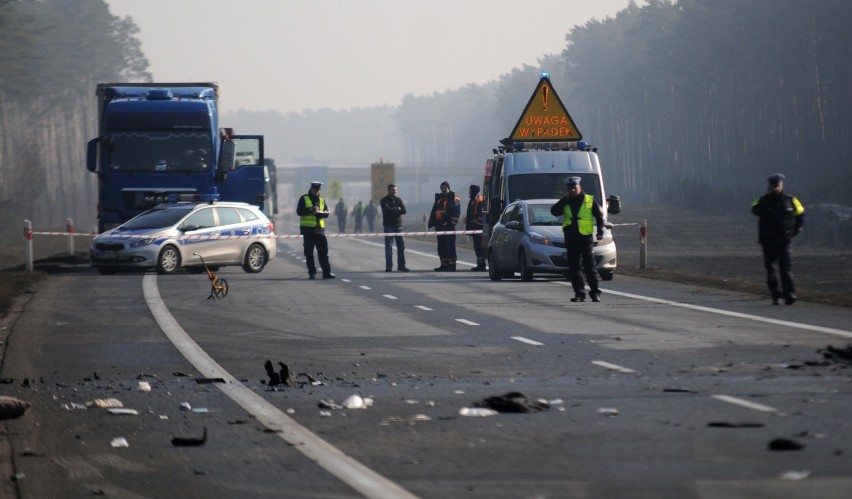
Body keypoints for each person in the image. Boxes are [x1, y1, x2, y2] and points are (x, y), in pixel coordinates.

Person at [751, 173, 805, 305]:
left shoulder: (791, 200)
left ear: (781, 185)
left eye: (777, 186)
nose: (775, 188)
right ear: (769, 186)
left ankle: (790, 293)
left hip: (785, 239)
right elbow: (754, 209)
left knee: (785, 268)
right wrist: (767, 199)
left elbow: (801, 213)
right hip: (768, 240)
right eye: (773, 186)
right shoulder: (762, 200)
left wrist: (797, 229)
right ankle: (776, 295)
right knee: (771, 268)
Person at [550, 177, 605, 302]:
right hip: (571, 239)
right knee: (574, 269)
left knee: (590, 268)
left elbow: (599, 217)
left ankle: (595, 293)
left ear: (580, 188)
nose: (573, 190)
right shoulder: (566, 201)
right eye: (570, 189)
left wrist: (600, 231)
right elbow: (554, 211)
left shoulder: (589, 200)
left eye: (575, 188)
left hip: (586, 239)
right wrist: (564, 200)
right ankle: (579, 294)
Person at [296, 182, 335, 279]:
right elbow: (299, 212)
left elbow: (326, 211)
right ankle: (312, 273)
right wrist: (311, 210)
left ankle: (326, 273)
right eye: (315, 190)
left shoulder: (322, 199)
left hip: (320, 230)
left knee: (323, 253)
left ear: (319, 190)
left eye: (318, 190)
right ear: (311, 189)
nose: (316, 191)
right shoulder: (304, 198)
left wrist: (325, 213)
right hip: (308, 230)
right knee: (309, 253)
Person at [428, 181, 461, 271]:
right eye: (442, 188)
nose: (443, 189)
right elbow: (435, 211)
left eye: (445, 188)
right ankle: (444, 265)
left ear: (448, 188)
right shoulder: (439, 198)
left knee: (449, 246)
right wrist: (433, 223)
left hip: (448, 227)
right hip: (439, 226)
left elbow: (456, 212)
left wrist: (449, 223)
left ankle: (452, 265)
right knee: (441, 247)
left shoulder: (454, 197)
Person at [380, 184, 409, 272]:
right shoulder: (384, 200)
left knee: (401, 247)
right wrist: (397, 209)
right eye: (393, 190)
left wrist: (393, 210)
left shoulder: (399, 199)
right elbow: (386, 211)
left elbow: (404, 211)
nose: (395, 191)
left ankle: (401, 266)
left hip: (398, 226)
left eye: (396, 190)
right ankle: (389, 267)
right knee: (389, 247)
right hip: (389, 226)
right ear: (389, 191)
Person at [466, 184, 486, 271]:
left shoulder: (479, 200)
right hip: (474, 228)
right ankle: (480, 264)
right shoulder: (472, 200)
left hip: (479, 228)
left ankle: (481, 265)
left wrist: (476, 223)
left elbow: (480, 215)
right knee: (477, 247)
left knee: (479, 247)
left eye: (470, 190)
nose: (469, 192)